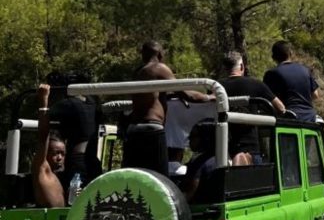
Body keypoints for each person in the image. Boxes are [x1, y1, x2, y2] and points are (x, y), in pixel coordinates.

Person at [124, 40, 214, 173]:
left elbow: (151, 97)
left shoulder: (138, 72)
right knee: (158, 176)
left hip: (133, 129)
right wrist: (210, 97)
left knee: (136, 173)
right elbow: (187, 95)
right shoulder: (159, 68)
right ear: (160, 54)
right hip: (151, 129)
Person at [219, 50, 285, 164]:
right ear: (241, 66)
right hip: (250, 148)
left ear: (225, 68)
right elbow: (281, 108)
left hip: (221, 149)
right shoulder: (255, 84)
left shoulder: (217, 87)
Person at [46, 69, 102, 187]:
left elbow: (45, 118)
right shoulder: (92, 103)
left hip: (77, 164)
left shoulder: (67, 105)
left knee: (75, 201)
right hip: (93, 161)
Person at [263, 40, 320, 123]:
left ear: (273, 57)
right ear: (291, 53)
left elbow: (266, 99)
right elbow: (315, 95)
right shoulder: (305, 70)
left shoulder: (271, 74)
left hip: (287, 119)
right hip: (310, 119)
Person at [31, 84, 65, 208]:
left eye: (62, 154)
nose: (60, 157)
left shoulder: (59, 178)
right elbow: (43, 136)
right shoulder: (42, 169)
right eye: (56, 153)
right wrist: (43, 101)